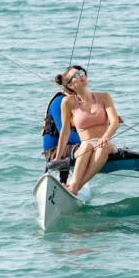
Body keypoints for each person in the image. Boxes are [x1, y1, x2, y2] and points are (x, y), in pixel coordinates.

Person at [54, 65, 120, 195]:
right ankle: (74, 186)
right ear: (71, 86)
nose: (82, 75)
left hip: (105, 143)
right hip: (86, 145)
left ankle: (75, 186)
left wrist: (106, 136)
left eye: (81, 73)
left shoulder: (104, 97)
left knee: (101, 147)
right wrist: (57, 158)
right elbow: (65, 131)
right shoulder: (67, 102)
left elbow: (115, 121)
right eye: (76, 76)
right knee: (85, 147)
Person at [41, 91, 81, 183]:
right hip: (54, 151)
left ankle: (78, 179)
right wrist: (89, 142)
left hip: (72, 146)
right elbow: (68, 136)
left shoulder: (78, 101)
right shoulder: (58, 102)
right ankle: (72, 183)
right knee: (87, 147)